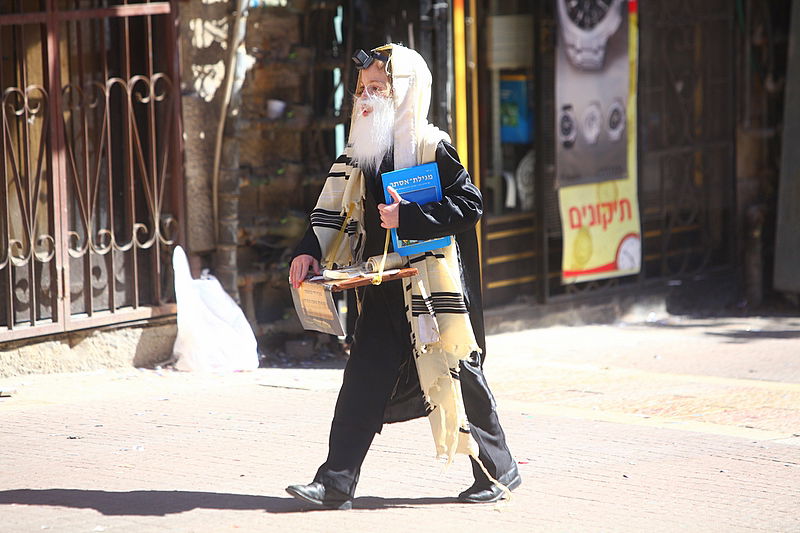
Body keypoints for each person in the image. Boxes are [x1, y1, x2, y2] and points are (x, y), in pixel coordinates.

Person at [286, 43, 520, 509]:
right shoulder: (359, 149)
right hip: (382, 285)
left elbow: (469, 205)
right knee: (362, 378)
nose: (367, 97)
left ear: (404, 93)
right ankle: (335, 481)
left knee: (458, 373)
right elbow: (330, 207)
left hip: (432, 289)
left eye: (378, 87)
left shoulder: (433, 146)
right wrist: (308, 251)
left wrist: (408, 218)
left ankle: (498, 471)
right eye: (362, 89)